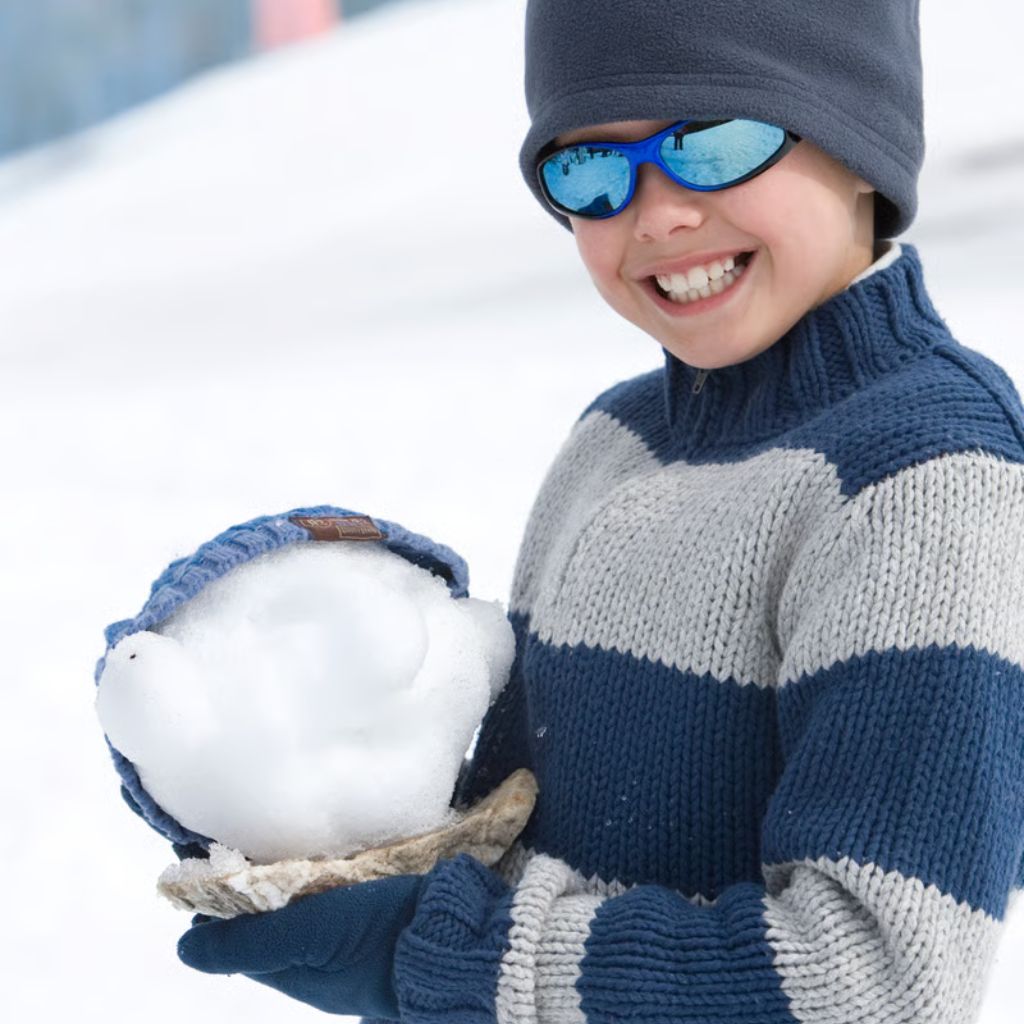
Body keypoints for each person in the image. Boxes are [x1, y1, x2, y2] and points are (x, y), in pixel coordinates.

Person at [174, 1, 1024, 1021]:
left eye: (712, 142)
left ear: (858, 137)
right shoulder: (614, 444)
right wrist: (240, 747)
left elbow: (875, 979)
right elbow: (509, 810)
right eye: (590, 169)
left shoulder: (925, 476)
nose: (657, 212)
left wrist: (431, 956)